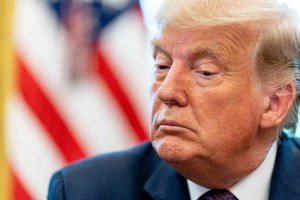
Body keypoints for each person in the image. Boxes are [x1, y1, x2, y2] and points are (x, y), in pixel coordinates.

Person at [48, 0, 300, 199]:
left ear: (274, 104)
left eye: (205, 72)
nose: (166, 92)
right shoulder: (81, 191)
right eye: (162, 66)